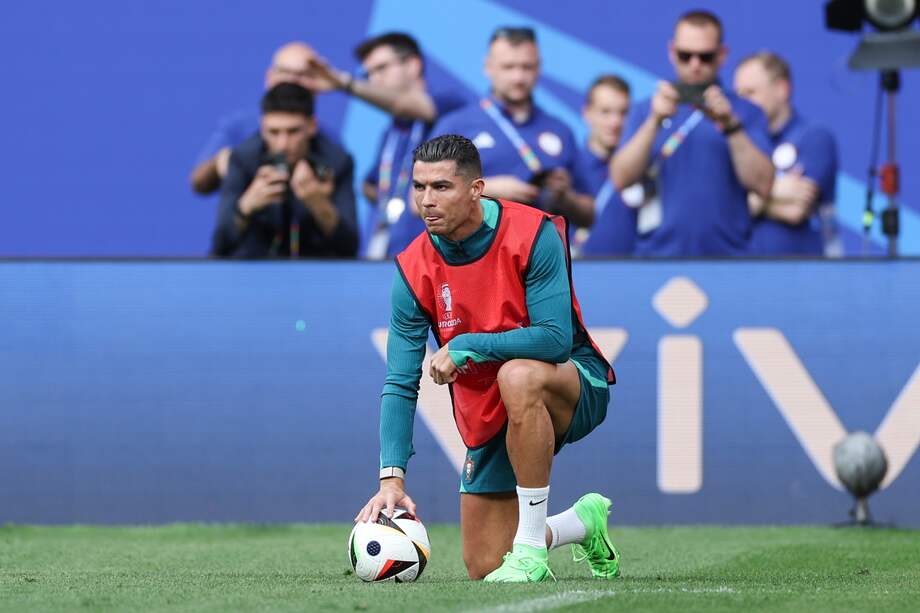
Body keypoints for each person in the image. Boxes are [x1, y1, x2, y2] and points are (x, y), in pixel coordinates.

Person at [356, 135, 619, 583]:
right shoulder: (412, 268)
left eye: (441, 187)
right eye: (418, 187)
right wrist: (391, 480)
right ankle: (579, 523)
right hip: (489, 411)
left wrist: (468, 345)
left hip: (570, 382)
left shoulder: (532, 232)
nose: (426, 201)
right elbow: (400, 382)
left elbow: (555, 340)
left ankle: (532, 553)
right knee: (485, 566)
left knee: (517, 376)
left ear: (476, 189)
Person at [611, 10, 774, 256]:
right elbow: (620, 178)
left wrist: (730, 125)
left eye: (705, 57)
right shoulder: (647, 109)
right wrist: (654, 122)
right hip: (657, 257)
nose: (695, 65)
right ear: (671, 51)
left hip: (730, 258)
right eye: (685, 55)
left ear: (722, 55)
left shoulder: (745, 111)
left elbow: (763, 184)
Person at [302, 33, 468, 258]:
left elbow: (410, 106)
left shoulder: (450, 106)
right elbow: (373, 184)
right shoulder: (393, 130)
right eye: (368, 74)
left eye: (381, 69)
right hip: (391, 254)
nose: (373, 80)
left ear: (413, 65)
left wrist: (343, 82)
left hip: (437, 258)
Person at [430, 27, 594, 229]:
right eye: (508, 67)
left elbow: (590, 216)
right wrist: (487, 189)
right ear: (488, 67)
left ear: (539, 68)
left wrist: (565, 197)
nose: (518, 77)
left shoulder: (560, 130)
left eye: (527, 67)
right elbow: (419, 200)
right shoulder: (456, 125)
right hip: (474, 254)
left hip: (539, 253)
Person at [210, 83, 358, 258]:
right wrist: (246, 206)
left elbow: (350, 248)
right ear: (262, 127)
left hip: (316, 270)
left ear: (312, 126)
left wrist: (318, 202)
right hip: (253, 268)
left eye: (293, 131)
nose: (283, 145)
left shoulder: (336, 161)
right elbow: (220, 245)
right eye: (274, 132)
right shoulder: (243, 158)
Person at [733, 51, 840, 256]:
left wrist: (748, 201)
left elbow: (796, 210)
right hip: (744, 272)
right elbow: (722, 210)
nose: (742, 103)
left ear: (781, 89)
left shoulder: (814, 137)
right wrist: (776, 192)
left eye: (750, 93)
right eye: (739, 95)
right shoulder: (737, 143)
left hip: (803, 274)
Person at [189, 42, 319, 196]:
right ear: (269, 76)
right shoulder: (241, 127)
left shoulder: (329, 142)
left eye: (303, 75)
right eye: (285, 72)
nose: (291, 81)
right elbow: (198, 183)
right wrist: (224, 162)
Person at [573, 75, 637, 257]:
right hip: (578, 275)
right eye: (605, 112)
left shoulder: (644, 170)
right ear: (587, 113)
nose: (615, 122)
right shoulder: (568, 167)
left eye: (623, 113)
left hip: (636, 275)